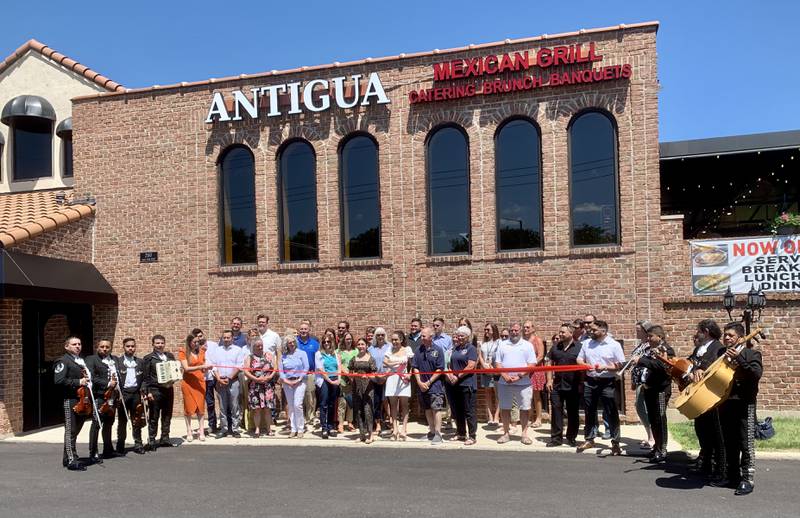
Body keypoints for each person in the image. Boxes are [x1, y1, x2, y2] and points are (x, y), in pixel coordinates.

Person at [716, 322, 762, 495]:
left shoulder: (751, 353)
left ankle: (747, 479)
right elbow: (708, 369)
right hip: (725, 402)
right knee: (729, 441)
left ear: (741, 339)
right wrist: (698, 369)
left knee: (745, 441)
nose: (726, 338)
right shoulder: (720, 353)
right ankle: (731, 475)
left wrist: (739, 358)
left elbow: (756, 374)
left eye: (731, 335)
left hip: (744, 402)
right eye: (725, 335)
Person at [576, 320, 625, 455]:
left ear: (603, 331)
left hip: (607, 382)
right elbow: (579, 360)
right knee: (589, 411)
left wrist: (606, 367)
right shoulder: (587, 343)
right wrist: (586, 365)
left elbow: (621, 364)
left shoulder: (614, 345)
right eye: (590, 329)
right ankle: (589, 439)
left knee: (611, 412)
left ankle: (615, 443)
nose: (590, 331)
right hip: (590, 381)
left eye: (594, 330)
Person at [688, 319, 726, 481]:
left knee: (713, 431)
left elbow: (712, 363)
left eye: (699, 330)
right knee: (701, 428)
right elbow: (691, 361)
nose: (696, 333)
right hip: (698, 394)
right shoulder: (699, 347)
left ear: (706, 331)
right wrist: (692, 369)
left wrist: (700, 368)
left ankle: (715, 465)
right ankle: (704, 461)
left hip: (710, 395)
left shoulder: (718, 347)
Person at [633, 325, 675, 463]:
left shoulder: (666, 350)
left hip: (661, 390)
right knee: (653, 419)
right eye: (648, 336)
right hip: (650, 388)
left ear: (660, 337)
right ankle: (656, 447)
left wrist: (642, 361)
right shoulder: (650, 349)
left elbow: (662, 367)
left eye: (651, 336)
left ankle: (662, 449)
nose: (648, 339)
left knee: (660, 419)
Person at [495, 322, 537, 445]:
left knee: (524, 408)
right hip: (504, 382)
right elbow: (498, 363)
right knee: (505, 408)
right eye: (512, 330)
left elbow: (532, 364)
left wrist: (519, 375)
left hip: (523, 383)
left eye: (516, 330)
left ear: (520, 331)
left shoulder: (527, 345)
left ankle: (524, 434)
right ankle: (506, 433)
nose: (514, 332)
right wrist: (505, 376)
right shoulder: (502, 345)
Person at [54, 336, 92, 471]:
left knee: (75, 430)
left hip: (82, 399)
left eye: (79, 344)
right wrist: (78, 382)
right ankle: (72, 460)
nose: (78, 346)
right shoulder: (63, 361)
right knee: (71, 430)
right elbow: (59, 381)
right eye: (74, 344)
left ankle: (66, 458)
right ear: (67, 347)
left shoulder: (81, 361)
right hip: (70, 400)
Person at [546, 323, 583, 447]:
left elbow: (584, 366)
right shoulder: (556, 347)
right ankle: (556, 438)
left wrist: (582, 383)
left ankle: (571, 437)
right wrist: (549, 380)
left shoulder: (579, 347)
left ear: (571, 333)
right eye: (560, 332)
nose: (560, 334)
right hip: (557, 385)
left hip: (573, 385)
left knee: (573, 412)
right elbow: (549, 363)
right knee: (556, 411)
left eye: (563, 332)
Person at [142, 334, 177, 450]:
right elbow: (145, 377)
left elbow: (175, 370)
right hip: (155, 390)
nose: (160, 345)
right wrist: (148, 392)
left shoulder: (170, 356)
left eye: (162, 343)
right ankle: (152, 440)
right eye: (157, 343)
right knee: (154, 416)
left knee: (167, 415)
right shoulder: (148, 358)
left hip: (168, 389)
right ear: (153, 344)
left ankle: (165, 438)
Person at [86, 339, 119, 462]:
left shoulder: (114, 359)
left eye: (107, 347)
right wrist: (108, 383)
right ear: (97, 347)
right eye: (102, 346)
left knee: (109, 423)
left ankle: (108, 449)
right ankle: (93, 452)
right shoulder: (91, 359)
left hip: (113, 397)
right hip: (100, 396)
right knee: (96, 424)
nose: (104, 349)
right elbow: (91, 377)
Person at [413, 326, 446, 444]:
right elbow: (415, 367)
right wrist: (419, 382)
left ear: (430, 337)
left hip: (435, 386)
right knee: (427, 409)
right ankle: (431, 432)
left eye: (423, 336)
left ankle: (438, 434)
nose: (421, 338)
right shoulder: (418, 350)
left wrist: (429, 382)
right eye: (421, 336)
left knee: (436, 409)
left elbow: (440, 369)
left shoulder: (438, 350)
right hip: (422, 386)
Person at [446, 326, 479, 445]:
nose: (459, 338)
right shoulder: (456, 348)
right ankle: (461, 433)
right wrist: (451, 375)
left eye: (462, 336)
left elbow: (471, 366)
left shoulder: (471, 349)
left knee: (469, 411)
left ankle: (472, 436)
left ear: (468, 337)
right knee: (458, 410)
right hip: (455, 384)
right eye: (458, 335)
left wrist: (458, 376)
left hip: (467, 384)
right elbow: (450, 364)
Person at [210, 330, 245, 438]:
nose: (226, 339)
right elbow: (214, 366)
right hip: (220, 381)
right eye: (224, 338)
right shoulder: (217, 351)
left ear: (232, 338)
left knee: (234, 406)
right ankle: (224, 429)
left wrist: (229, 378)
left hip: (233, 381)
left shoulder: (238, 350)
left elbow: (239, 366)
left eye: (228, 337)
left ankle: (235, 429)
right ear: (222, 338)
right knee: (222, 406)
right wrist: (219, 379)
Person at [115, 337, 145, 455]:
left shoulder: (140, 362)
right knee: (122, 421)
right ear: (124, 347)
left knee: (136, 419)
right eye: (128, 346)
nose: (131, 348)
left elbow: (144, 379)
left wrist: (143, 389)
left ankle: (138, 444)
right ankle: (120, 445)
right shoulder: (118, 361)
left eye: (133, 346)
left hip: (136, 394)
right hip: (124, 394)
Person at [244, 338, 278, 437]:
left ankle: (269, 429)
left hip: (268, 386)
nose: (260, 347)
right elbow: (246, 370)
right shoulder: (249, 357)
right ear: (253, 347)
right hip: (255, 386)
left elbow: (275, 367)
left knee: (268, 408)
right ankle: (257, 429)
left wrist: (270, 376)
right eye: (257, 346)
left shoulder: (269, 355)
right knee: (257, 409)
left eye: (261, 345)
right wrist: (255, 379)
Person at [178, 334, 210, 442]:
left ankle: (201, 431)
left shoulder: (202, 351)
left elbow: (203, 367)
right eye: (194, 342)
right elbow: (186, 368)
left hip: (200, 382)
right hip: (188, 383)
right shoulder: (183, 352)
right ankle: (189, 431)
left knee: (200, 408)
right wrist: (201, 367)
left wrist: (206, 368)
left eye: (198, 342)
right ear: (189, 342)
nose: (196, 344)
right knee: (188, 408)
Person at [631, 320, 656, 450]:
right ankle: (650, 436)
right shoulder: (640, 344)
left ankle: (653, 438)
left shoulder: (650, 345)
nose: (636, 332)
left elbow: (648, 363)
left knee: (644, 408)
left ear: (646, 331)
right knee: (640, 407)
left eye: (638, 330)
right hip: (638, 381)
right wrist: (633, 381)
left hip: (646, 381)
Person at [384, 330, 413, 441]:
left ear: (401, 340)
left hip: (403, 379)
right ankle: (395, 429)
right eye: (393, 340)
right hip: (392, 378)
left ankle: (404, 428)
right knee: (393, 405)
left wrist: (410, 375)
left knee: (404, 404)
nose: (394, 342)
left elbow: (412, 364)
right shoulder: (389, 349)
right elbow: (385, 362)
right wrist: (396, 363)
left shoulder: (407, 350)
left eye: (396, 339)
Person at [349, 337, 378, 443]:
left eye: (362, 344)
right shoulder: (353, 358)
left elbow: (374, 374)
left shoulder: (370, 359)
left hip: (368, 387)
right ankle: (361, 434)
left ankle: (370, 435)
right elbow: (350, 372)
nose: (360, 346)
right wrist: (353, 376)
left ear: (366, 346)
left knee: (368, 410)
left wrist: (368, 376)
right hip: (356, 388)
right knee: (358, 411)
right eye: (359, 344)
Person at [280, 334, 309, 438]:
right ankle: (293, 428)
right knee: (291, 406)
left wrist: (299, 379)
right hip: (287, 382)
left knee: (298, 405)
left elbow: (306, 367)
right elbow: (281, 371)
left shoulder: (302, 353)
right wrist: (286, 381)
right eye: (289, 343)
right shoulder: (283, 356)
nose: (291, 344)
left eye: (293, 342)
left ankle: (300, 428)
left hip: (300, 382)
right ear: (286, 344)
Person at [315, 335, 342, 438]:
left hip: (335, 380)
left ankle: (330, 426)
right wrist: (330, 381)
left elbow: (339, 367)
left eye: (328, 342)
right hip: (325, 380)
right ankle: (324, 428)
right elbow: (321, 370)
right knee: (323, 404)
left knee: (332, 404)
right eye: (324, 342)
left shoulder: (336, 353)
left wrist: (338, 379)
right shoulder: (318, 354)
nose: (326, 343)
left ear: (332, 343)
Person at [193, 328, 219, 435]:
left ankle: (212, 425)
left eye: (200, 335)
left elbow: (217, 359)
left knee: (211, 403)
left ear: (203, 335)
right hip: (200, 379)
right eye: (197, 337)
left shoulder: (213, 345)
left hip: (211, 377)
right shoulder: (194, 348)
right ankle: (202, 426)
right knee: (199, 404)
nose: (199, 338)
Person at [523, 320, 546, 428]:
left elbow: (541, 356)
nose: (525, 329)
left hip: (536, 370)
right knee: (527, 395)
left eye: (528, 327)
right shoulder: (522, 341)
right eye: (524, 327)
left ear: (533, 328)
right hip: (525, 371)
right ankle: (529, 417)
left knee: (536, 395)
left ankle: (538, 418)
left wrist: (531, 365)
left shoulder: (537, 340)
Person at [368, 327, 391, 435]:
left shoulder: (390, 346)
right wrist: (376, 376)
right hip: (375, 378)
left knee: (387, 400)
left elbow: (392, 361)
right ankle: (378, 423)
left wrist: (385, 376)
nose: (380, 337)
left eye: (382, 334)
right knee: (377, 401)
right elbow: (369, 364)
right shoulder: (371, 349)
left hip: (387, 377)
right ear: (375, 336)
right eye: (378, 335)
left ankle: (389, 420)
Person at [297, 322, 320, 427]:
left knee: (310, 396)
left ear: (309, 330)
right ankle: (301, 418)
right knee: (299, 397)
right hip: (297, 374)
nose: (303, 331)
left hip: (311, 373)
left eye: (305, 329)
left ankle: (310, 417)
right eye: (301, 329)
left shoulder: (315, 343)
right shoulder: (295, 342)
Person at [479, 323, 501, 426]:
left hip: (495, 370)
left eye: (488, 329)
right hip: (485, 370)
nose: (486, 331)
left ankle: (497, 416)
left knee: (497, 394)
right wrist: (483, 364)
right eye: (485, 329)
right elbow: (480, 355)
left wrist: (494, 366)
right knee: (487, 393)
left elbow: (500, 356)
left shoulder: (499, 342)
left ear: (493, 330)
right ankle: (490, 416)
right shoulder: (483, 343)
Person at [337, 331, 358, 434]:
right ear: (343, 340)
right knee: (342, 403)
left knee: (351, 402)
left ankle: (350, 422)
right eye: (347, 339)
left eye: (350, 339)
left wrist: (353, 376)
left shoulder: (356, 351)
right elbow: (339, 365)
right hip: (343, 381)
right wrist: (347, 375)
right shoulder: (339, 351)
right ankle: (340, 424)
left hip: (354, 381)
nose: (348, 341)